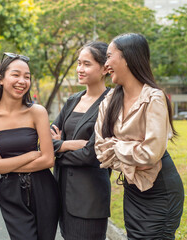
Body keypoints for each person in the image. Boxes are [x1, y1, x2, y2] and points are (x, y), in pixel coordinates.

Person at [95, 33, 184, 239]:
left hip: (160, 189)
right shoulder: (109, 99)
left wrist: (116, 147)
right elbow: (100, 150)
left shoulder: (154, 97)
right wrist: (134, 154)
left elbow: (150, 154)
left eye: (109, 56)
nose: (105, 63)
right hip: (133, 189)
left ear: (128, 58)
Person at [0, 52, 59, 240]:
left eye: (27, 76)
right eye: (16, 74)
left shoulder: (37, 112)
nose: (22, 81)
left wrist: (5, 164)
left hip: (44, 188)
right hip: (10, 192)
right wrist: (31, 155)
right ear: (1, 79)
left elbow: (48, 159)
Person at [50, 41, 111, 240]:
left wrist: (57, 151)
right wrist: (67, 145)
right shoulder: (73, 100)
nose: (79, 69)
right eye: (78, 63)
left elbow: (92, 155)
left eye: (86, 64)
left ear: (104, 68)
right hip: (62, 195)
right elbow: (46, 141)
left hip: (89, 200)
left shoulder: (111, 102)